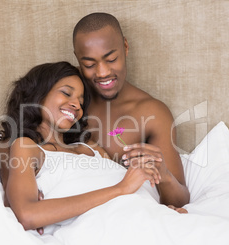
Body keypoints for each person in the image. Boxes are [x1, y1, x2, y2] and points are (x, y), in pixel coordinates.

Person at [0, 61, 185, 234]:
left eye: (80, 100)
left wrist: (157, 210)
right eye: (66, 93)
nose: (76, 104)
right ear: (38, 94)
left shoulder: (92, 148)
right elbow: (27, 215)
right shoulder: (26, 147)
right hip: (111, 230)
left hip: (152, 219)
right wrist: (122, 188)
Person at [72, 13, 190, 207]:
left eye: (111, 59)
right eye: (89, 64)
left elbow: (180, 200)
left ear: (125, 47)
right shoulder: (66, 94)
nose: (102, 73)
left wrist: (164, 174)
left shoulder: (151, 113)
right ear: (77, 59)